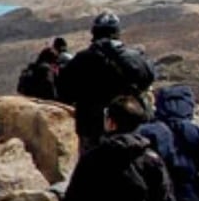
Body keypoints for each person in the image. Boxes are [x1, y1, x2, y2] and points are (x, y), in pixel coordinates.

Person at [56, 12, 156, 154]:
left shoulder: (80, 60)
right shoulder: (133, 57)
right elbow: (148, 79)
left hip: (91, 126)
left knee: (93, 167)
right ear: (117, 32)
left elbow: (64, 92)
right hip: (128, 123)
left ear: (94, 32)